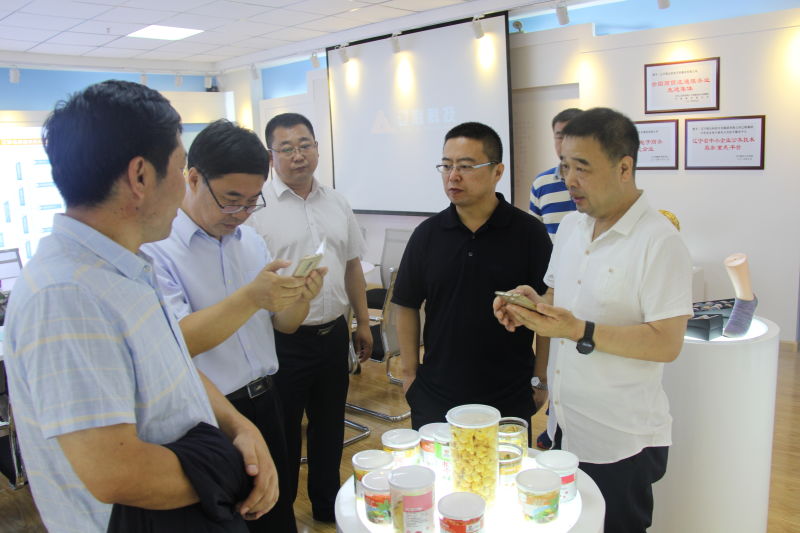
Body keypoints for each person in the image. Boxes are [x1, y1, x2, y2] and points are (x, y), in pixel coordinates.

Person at [2, 81, 277, 532]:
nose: (185, 185)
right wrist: (231, 469)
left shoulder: (125, 267)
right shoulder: (67, 295)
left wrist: (238, 427)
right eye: (180, 167)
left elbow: (176, 371)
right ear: (141, 176)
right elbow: (116, 472)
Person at [494, 107, 693, 533]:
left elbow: (667, 342)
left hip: (620, 439)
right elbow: (558, 297)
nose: (569, 180)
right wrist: (531, 305)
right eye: (565, 166)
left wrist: (578, 330)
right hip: (565, 425)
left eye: (582, 168)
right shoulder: (571, 227)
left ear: (624, 168)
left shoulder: (660, 241)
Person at [142, 119, 325, 532]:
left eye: (252, 202)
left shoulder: (251, 241)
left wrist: (301, 298)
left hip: (268, 399)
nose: (241, 213)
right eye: (230, 200)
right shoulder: (157, 251)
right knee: (230, 520)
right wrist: (252, 297)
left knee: (277, 515)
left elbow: (284, 326)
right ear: (193, 179)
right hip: (211, 414)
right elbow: (176, 342)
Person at [245, 112, 372, 523]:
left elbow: (352, 266)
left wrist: (362, 322)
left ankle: (325, 506)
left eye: (305, 145)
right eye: (286, 148)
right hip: (281, 341)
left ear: (317, 148)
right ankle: (280, 516)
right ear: (271, 156)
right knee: (281, 434)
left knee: (329, 427)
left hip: (333, 334)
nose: (298, 155)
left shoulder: (336, 202)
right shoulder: (257, 209)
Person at [391, 121, 552, 433]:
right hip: (436, 393)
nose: (453, 176)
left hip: (509, 393)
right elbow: (406, 303)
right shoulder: (427, 234)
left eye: (465, 166)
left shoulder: (529, 233)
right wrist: (410, 374)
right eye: (446, 165)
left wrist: (540, 378)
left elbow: (547, 308)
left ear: (497, 171)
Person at [529, 108, 582, 239]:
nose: (564, 143)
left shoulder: (601, 181)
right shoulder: (541, 183)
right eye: (560, 137)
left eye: (571, 135)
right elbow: (533, 236)